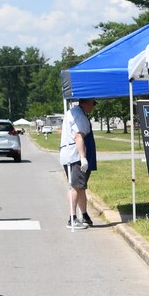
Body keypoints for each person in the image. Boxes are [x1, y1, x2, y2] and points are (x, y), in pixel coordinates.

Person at [60, 98, 97, 229]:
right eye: (93, 103)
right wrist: (83, 157)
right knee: (75, 186)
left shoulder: (73, 112)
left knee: (80, 186)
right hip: (75, 156)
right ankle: (72, 218)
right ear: (86, 103)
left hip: (68, 154)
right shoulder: (79, 115)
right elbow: (79, 136)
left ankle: (85, 216)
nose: (93, 107)